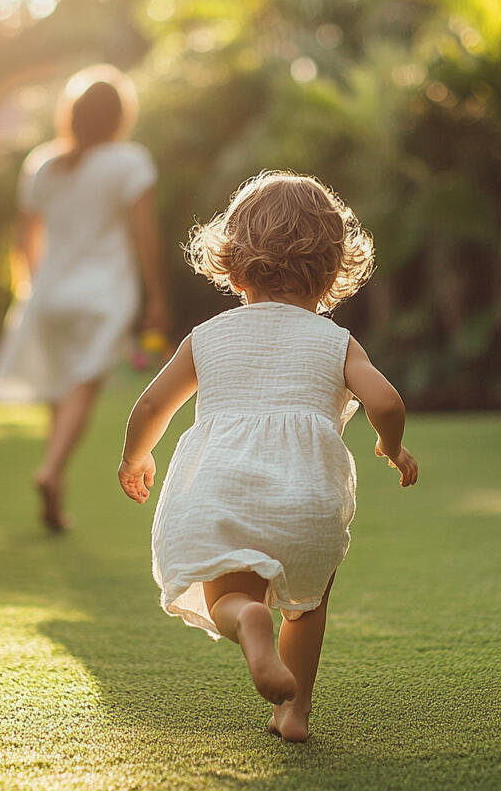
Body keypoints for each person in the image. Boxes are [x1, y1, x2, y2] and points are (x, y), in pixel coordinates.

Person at [117, 170, 418, 742]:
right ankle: (294, 712)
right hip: (306, 494)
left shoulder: (208, 336)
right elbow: (386, 399)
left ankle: (247, 619)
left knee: (231, 596)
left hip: (220, 487)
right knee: (306, 608)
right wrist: (391, 444)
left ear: (232, 259)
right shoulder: (336, 341)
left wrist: (136, 459)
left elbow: (153, 401)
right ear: (334, 267)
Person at [0, 66, 169, 532]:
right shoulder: (130, 161)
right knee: (84, 385)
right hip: (105, 292)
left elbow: (24, 235)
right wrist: (158, 296)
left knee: (56, 388)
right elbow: (146, 236)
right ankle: (50, 471)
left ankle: (55, 482)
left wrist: (31, 288)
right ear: (118, 116)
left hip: (49, 290)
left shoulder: (43, 163)